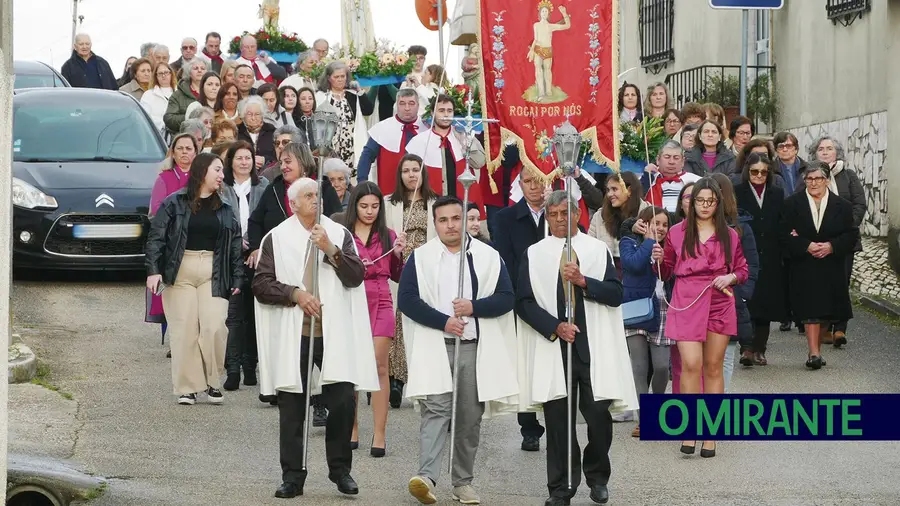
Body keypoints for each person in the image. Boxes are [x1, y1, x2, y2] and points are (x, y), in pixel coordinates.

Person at [252, 177, 379, 499]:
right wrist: (295, 294)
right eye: (307, 196)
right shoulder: (276, 238)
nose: (315, 200)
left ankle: (341, 471)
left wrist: (331, 250)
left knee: (341, 405)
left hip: (333, 332)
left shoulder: (338, 234)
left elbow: (356, 277)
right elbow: (261, 284)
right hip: (295, 332)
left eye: (317, 195)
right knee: (292, 408)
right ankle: (293, 476)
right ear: (293, 203)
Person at [516, 190, 637, 506]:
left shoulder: (596, 250)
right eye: (552, 214)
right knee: (558, 424)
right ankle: (561, 488)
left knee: (599, 419)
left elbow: (615, 293)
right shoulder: (534, 253)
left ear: (576, 215)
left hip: (591, 348)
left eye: (564, 213)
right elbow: (524, 302)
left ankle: (597, 475)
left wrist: (584, 281)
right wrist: (554, 326)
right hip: (555, 347)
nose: (558, 219)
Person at [399, 196, 519, 506]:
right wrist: (444, 322)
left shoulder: (487, 256)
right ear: (435, 223)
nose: (450, 225)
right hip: (436, 343)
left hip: (473, 347)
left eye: (456, 218)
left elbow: (507, 297)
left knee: (468, 417)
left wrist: (473, 307)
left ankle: (462, 482)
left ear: (466, 220)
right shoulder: (421, 257)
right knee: (435, 410)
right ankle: (426, 477)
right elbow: (408, 300)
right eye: (443, 220)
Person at [652, 177, 749, 457]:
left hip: (719, 301)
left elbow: (742, 269)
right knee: (690, 364)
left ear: (717, 204)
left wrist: (730, 276)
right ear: (690, 203)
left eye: (710, 201)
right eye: (699, 200)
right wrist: (657, 258)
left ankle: (711, 432)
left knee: (713, 366)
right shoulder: (677, 232)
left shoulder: (729, 235)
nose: (705, 205)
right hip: (686, 299)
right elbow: (666, 271)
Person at [144, 153, 244, 405]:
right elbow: (156, 238)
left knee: (214, 327)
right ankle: (188, 387)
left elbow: (234, 246)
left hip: (214, 270)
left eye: (222, 171)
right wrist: (153, 270)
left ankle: (213, 381)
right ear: (202, 172)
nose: (222, 175)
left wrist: (238, 278)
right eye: (218, 170)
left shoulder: (226, 207)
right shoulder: (173, 203)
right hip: (179, 270)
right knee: (184, 330)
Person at [343, 182, 406, 456]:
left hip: (380, 299)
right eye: (364, 205)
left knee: (380, 367)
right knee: (353, 368)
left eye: (375, 206)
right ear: (355, 205)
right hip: (352, 300)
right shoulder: (343, 235)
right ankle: (353, 426)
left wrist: (401, 256)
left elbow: (397, 275)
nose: (369, 211)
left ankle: (379, 434)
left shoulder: (389, 235)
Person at [491, 166, 548, 451]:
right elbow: (505, 260)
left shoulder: (558, 213)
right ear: (520, 185)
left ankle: (555, 414)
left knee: (552, 362)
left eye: (539, 180)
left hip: (554, 298)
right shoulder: (505, 218)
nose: (534, 186)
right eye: (528, 181)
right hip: (521, 298)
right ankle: (529, 427)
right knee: (524, 364)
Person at [782, 161, 858, 369]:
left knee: (827, 310)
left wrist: (832, 246)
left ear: (826, 180)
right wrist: (805, 245)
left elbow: (851, 234)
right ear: (804, 181)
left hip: (830, 264)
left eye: (818, 178)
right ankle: (813, 353)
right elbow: (783, 232)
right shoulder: (791, 204)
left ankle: (816, 349)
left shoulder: (842, 206)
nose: (814, 183)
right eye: (809, 178)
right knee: (810, 309)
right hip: (804, 264)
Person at [798, 136, 865, 347]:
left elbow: (859, 204)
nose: (825, 152)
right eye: (821, 149)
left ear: (837, 153)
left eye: (829, 148)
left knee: (841, 282)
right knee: (821, 284)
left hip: (844, 240)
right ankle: (824, 327)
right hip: (817, 241)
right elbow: (799, 206)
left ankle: (840, 328)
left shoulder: (849, 176)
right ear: (815, 153)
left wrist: (843, 227)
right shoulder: (808, 177)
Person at [385, 154, 439, 409]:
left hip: (426, 266)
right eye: (406, 171)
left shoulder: (434, 202)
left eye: (415, 170)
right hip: (399, 265)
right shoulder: (390, 203)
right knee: (397, 321)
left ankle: (417, 376)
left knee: (418, 319)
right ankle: (395, 378)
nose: (411, 175)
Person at [618, 205, 673, 438]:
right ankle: (644, 419)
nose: (659, 228)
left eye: (664, 224)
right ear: (644, 224)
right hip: (636, 308)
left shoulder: (670, 247)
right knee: (639, 367)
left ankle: (656, 409)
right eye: (655, 223)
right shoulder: (629, 242)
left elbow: (673, 273)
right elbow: (633, 265)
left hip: (663, 309)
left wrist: (664, 260)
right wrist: (649, 242)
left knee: (661, 366)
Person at [220, 141, 270, 390]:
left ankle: (251, 366)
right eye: (238, 158)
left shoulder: (264, 187)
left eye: (247, 158)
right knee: (234, 315)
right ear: (230, 162)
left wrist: (255, 247)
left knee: (254, 314)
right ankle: (232, 369)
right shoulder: (222, 188)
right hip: (230, 257)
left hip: (257, 258)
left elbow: (267, 220)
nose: (243, 162)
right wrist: (237, 244)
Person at [734, 153, 788, 366]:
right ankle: (746, 348)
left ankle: (760, 349)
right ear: (748, 170)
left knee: (766, 305)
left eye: (764, 172)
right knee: (746, 302)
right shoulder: (737, 192)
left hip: (771, 255)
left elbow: (783, 221)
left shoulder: (777, 193)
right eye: (755, 171)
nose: (759, 176)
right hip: (745, 253)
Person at [406, 94, 484, 214]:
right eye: (441, 111)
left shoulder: (464, 135)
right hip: (432, 206)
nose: (446, 115)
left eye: (449, 111)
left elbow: (479, 163)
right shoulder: (419, 142)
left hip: (463, 205)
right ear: (432, 113)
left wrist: (465, 141)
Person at [357, 88, 425, 191]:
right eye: (402, 103)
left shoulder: (427, 127)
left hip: (422, 190)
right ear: (396, 105)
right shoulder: (382, 128)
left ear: (418, 105)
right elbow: (366, 157)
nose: (407, 108)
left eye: (411, 103)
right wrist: (362, 184)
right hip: (390, 190)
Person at [316, 61, 375, 172]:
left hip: (351, 144)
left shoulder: (353, 95)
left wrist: (359, 91)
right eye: (336, 77)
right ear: (329, 78)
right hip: (332, 146)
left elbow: (368, 110)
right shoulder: (322, 97)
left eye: (343, 76)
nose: (340, 79)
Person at [526, 2, 571, 103]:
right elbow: (536, 39)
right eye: (543, 11)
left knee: (547, 70)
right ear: (540, 13)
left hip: (547, 50)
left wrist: (564, 13)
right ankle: (541, 92)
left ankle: (548, 91)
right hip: (538, 49)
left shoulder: (551, 26)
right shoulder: (536, 25)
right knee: (538, 70)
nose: (544, 13)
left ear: (548, 14)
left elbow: (567, 25)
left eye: (546, 11)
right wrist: (531, 50)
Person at [641, 140, 701, 213]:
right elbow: (637, 201)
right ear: (658, 160)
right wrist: (646, 177)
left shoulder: (696, 181)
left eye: (676, 158)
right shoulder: (649, 179)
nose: (671, 162)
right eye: (667, 157)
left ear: (683, 161)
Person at [164, 58, 208, 134]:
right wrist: (189, 116)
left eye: (202, 68)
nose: (199, 71)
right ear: (189, 73)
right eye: (196, 68)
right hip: (186, 136)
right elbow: (169, 119)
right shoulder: (178, 95)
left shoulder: (214, 91)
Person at [141, 63, 176, 136]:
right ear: (156, 76)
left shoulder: (179, 92)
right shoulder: (148, 95)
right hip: (157, 135)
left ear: (171, 74)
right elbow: (145, 116)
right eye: (160, 73)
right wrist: (164, 124)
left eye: (166, 72)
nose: (163, 75)